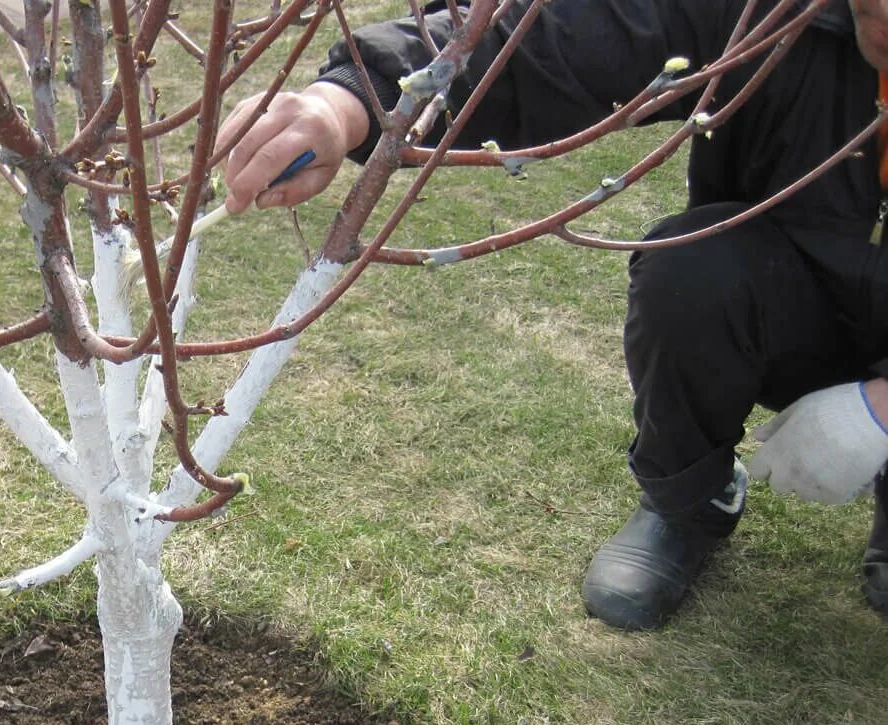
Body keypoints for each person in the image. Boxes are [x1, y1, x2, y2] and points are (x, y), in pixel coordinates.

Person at [217, 0, 888, 630]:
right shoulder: (773, 12)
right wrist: (352, 103)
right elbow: (558, 35)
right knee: (689, 273)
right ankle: (688, 501)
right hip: (789, 289)